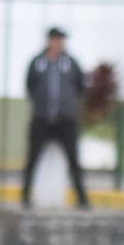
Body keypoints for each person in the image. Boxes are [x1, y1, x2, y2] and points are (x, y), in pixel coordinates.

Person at [22, 27, 90, 209]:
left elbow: (80, 86)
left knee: (73, 160)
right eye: (55, 40)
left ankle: (82, 198)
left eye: (61, 40)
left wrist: (68, 106)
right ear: (49, 41)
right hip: (42, 119)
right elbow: (29, 86)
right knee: (32, 159)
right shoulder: (38, 63)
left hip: (65, 121)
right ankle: (25, 196)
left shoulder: (71, 63)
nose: (58, 44)